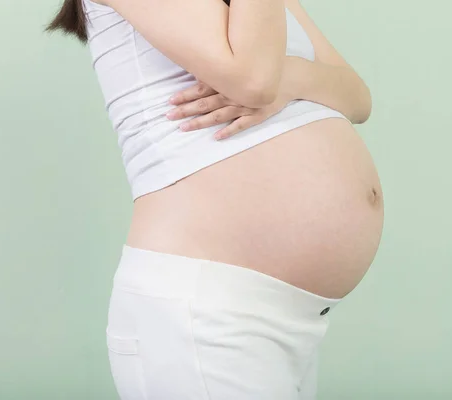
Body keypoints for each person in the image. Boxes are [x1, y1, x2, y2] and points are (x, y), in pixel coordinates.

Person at [46, 0, 385, 398]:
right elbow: (254, 81)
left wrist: (292, 77)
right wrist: (280, 80)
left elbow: (357, 96)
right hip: (205, 314)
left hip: (286, 317)